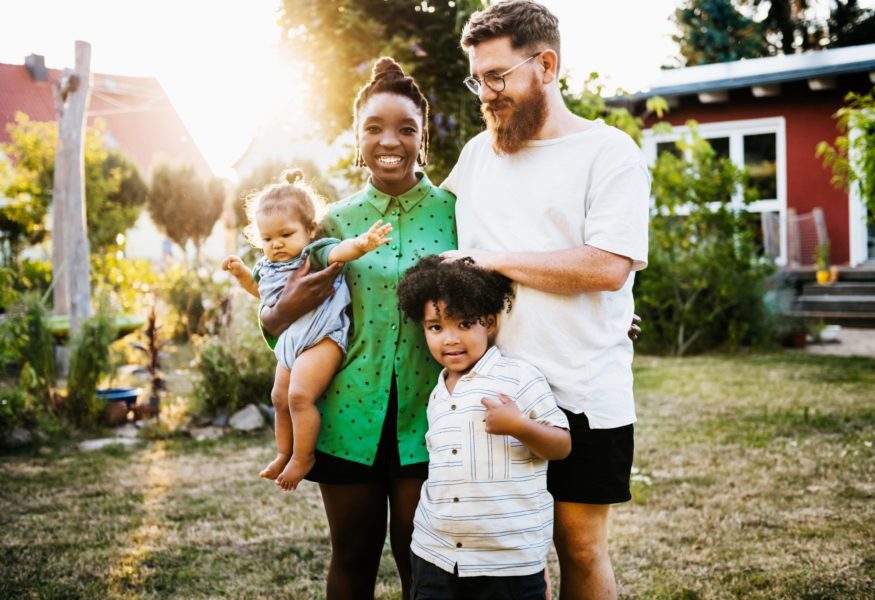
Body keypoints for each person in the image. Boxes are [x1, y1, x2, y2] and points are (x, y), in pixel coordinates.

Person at [441, 2, 651, 599]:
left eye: (497, 77)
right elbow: (432, 239)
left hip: (584, 391)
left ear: (547, 64)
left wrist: (494, 260)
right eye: (476, 79)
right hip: (496, 397)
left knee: (580, 551)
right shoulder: (477, 156)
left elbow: (608, 265)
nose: (484, 93)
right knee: (504, 557)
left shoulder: (608, 153)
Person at [259, 58, 457, 599]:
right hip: (348, 417)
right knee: (351, 553)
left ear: (422, 139)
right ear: (357, 137)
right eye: (374, 128)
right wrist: (271, 324)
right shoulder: (334, 222)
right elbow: (283, 309)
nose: (388, 140)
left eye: (405, 129)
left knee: (424, 558)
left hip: (432, 417)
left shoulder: (457, 211)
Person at [397, 255, 571, 600]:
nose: (450, 339)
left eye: (464, 324)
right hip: (437, 553)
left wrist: (520, 426)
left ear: (489, 323)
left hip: (507, 560)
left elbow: (561, 445)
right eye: (436, 327)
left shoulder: (518, 377)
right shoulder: (437, 393)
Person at [221, 170, 393, 491]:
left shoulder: (312, 254)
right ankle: (284, 452)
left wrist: (362, 244)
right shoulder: (268, 266)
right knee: (279, 397)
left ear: (309, 229)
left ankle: (304, 457)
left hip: (323, 339)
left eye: (286, 235)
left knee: (299, 396)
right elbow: (261, 292)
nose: (277, 245)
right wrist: (241, 273)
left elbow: (339, 253)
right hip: (291, 342)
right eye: (268, 239)